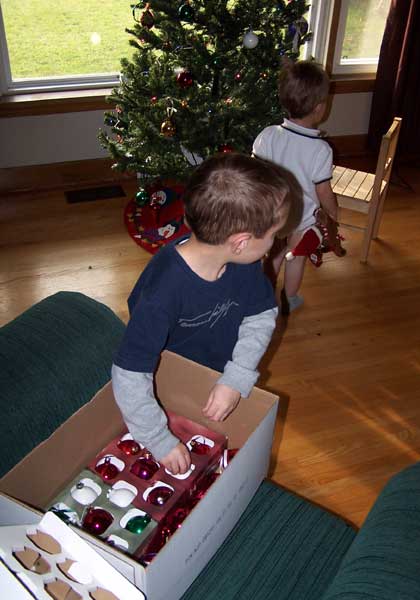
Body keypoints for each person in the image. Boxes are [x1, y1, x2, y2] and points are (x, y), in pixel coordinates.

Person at [111, 153, 302, 475]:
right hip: (168, 378)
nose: (274, 244)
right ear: (240, 242)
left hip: (214, 373)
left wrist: (236, 377)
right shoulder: (162, 293)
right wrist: (158, 439)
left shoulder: (247, 265)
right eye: (272, 235)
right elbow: (129, 373)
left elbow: (261, 315)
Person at [252, 59, 339, 314]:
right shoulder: (321, 150)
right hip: (301, 218)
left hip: (270, 213)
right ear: (319, 108)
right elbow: (324, 191)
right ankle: (289, 298)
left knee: (274, 254)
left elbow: (255, 175)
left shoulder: (267, 135)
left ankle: (263, 299)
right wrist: (333, 213)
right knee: (296, 255)